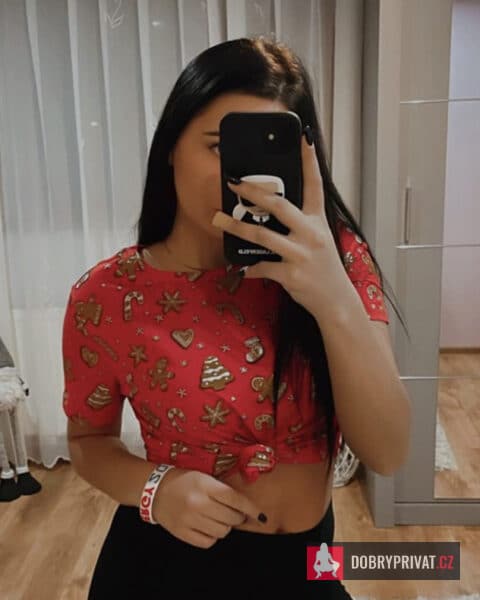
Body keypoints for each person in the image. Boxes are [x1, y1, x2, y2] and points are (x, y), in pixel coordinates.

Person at [62, 36, 411, 599]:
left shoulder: (337, 262)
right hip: (165, 566)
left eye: (266, 155)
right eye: (220, 146)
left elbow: (388, 452)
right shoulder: (107, 295)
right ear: (171, 147)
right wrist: (156, 487)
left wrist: (331, 296)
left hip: (304, 566)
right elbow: (87, 440)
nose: (243, 179)